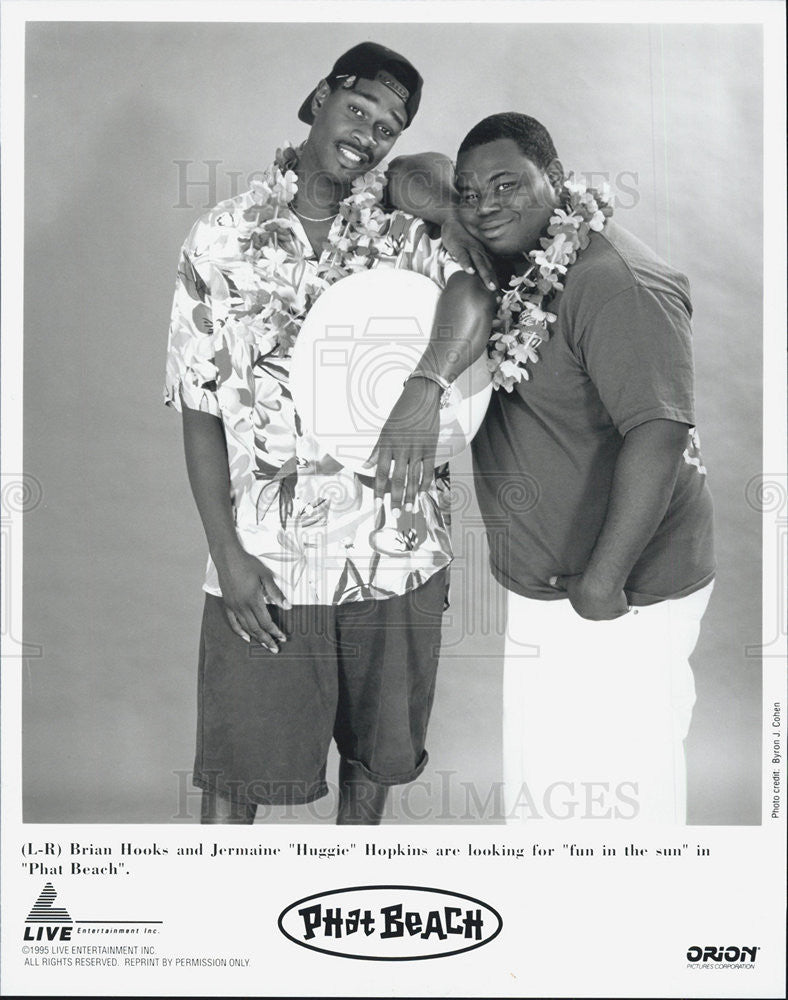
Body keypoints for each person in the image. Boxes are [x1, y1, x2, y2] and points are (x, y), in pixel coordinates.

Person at [164, 43, 494, 825]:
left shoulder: (403, 227)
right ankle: (216, 933)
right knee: (235, 777)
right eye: (359, 111)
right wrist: (226, 553)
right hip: (268, 559)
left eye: (389, 126)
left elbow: (475, 295)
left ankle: (342, 904)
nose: (370, 135)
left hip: (397, 548)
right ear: (318, 98)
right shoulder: (218, 240)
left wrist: (423, 389)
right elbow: (199, 408)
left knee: (372, 769)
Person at [390, 112, 716, 823]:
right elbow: (404, 172)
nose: (487, 205)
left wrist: (603, 582)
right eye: (473, 192)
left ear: (558, 181)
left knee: (627, 804)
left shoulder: (619, 281)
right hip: (543, 587)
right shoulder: (502, 253)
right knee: (549, 801)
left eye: (509, 185)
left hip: (623, 589)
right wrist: (451, 212)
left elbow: (659, 434)